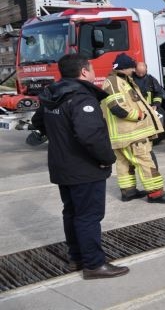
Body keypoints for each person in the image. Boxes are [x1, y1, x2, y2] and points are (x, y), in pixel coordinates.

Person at [31, 54, 129, 279]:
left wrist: (60, 135)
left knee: (72, 213)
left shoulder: (51, 94)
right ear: (84, 72)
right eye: (92, 69)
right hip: (84, 168)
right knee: (88, 216)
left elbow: (38, 123)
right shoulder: (82, 97)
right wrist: (107, 158)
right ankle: (94, 265)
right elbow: (90, 136)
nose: (94, 73)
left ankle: (76, 258)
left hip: (61, 166)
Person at [101, 53, 165, 203]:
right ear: (126, 67)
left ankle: (128, 192)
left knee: (124, 164)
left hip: (123, 134)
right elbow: (117, 108)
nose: (134, 71)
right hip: (131, 133)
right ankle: (156, 194)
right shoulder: (114, 82)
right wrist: (140, 115)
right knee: (145, 162)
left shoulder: (120, 80)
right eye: (132, 67)